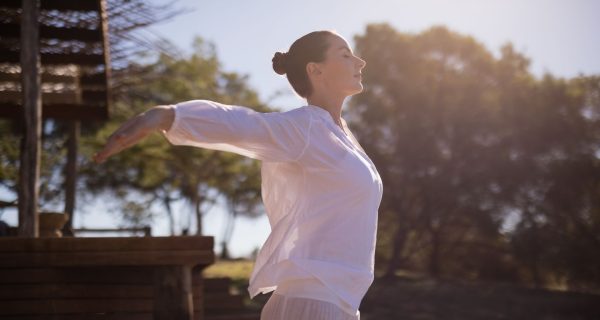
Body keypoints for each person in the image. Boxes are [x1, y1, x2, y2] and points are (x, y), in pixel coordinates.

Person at [94, 30, 382, 320]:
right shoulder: (307, 127)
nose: (360, 62)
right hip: (312, 302)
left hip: (338, 303)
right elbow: (244, 124)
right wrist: (167, 116)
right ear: (315, 69)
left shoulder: (340, 133)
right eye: (345, 55)